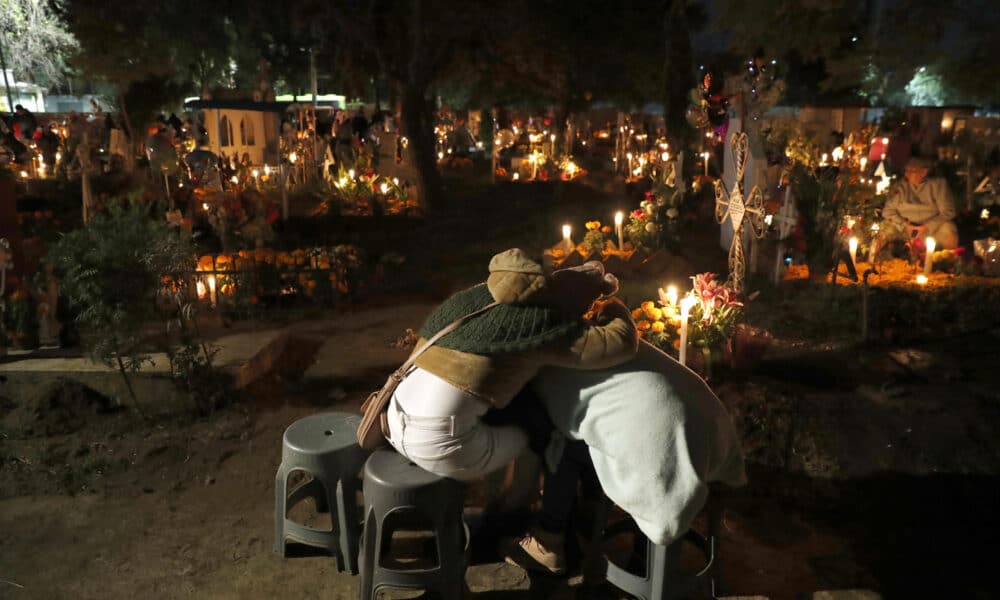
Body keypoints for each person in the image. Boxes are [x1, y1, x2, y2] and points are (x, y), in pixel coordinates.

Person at [384, 248, 639, 482]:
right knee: (543, 434)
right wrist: (612, 308)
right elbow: (619, 343)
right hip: (439, 444)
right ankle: (517, 515)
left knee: (507, 408)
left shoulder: (473, 295)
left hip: (392, 420)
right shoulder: (540, 324)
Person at [502, 341, 747, 575]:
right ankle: (593, 509)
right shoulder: (607, 337)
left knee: (560, 444)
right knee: (597, 425)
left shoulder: (543, 370)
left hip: (661, 455)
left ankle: (549, 540)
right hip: (715, 433)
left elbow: (556, 427)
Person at [882, 156, 958, 250]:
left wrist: (927, 227)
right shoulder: (900, 186)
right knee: (884, 229)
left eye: (912, 171)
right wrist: (904, 225)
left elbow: (948, 212)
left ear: (923, 172)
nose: (907, 174)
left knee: (949, 231)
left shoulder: (938, 185)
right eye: (906, 170)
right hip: (905, 228)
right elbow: (887, 211)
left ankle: (945, 261)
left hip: (931, 229)